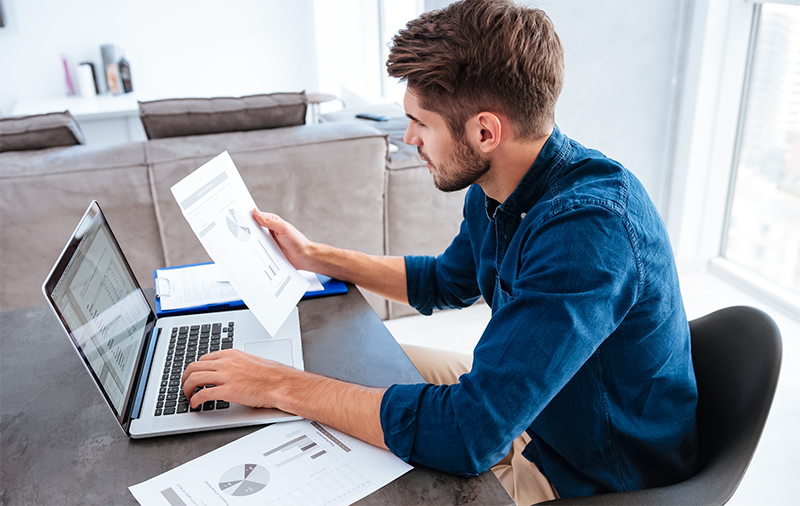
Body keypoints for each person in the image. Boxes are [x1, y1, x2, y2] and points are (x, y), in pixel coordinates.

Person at [182, 0, 699, 502]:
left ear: (484, 131)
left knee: (332, 427)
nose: (409, 138)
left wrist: (280, 387)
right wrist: (314, 256)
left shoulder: (588, 232)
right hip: (535, 413)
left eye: (420, 122)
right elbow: (444, 282)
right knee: (344, 362)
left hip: (589, 473)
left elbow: (468, 436)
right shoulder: (495, 184)